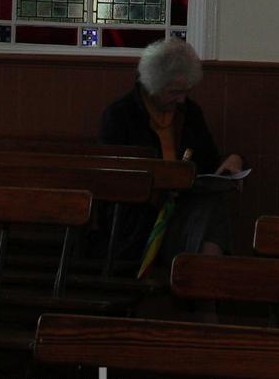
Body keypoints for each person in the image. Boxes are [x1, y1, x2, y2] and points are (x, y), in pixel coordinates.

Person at [99, 38, 244, 261]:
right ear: (153, 86)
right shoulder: (121, 117)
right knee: (209, 217)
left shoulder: (189, 113)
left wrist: (233, 160)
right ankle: (203, 283)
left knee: (212, 205)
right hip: (139, 218)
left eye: (186, 91)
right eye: (174, 92)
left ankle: (200, 280)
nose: (181, 98)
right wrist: (163, 186)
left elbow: (208, 161)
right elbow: (113, 180)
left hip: (180, 209)